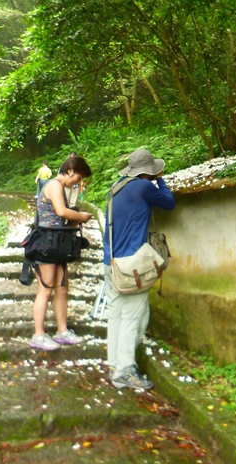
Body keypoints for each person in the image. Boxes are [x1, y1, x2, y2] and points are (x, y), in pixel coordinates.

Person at [103, 148, 175, 390]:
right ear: (148, 171)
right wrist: (160, 178)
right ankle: (124, 372)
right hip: (132, 265)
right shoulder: (143, 187)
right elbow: (169, 202)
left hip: (111, 263)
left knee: (116, 315)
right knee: (135, 317)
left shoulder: (115, 188)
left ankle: (114, 364)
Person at [29, 155, 94, 351]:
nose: (78, 182)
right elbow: (61, 212)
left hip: (57, 243)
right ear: (70, 170)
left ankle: (62, 331)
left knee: (62, 289)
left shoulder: (61, 187)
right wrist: (81, 216)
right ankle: (38, 335)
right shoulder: (55, 185)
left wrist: (75, 222)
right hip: (46, 244)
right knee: (45, 290)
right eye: (79, 177)